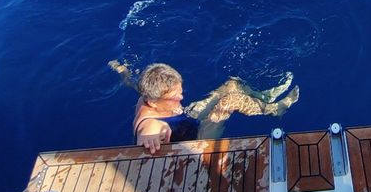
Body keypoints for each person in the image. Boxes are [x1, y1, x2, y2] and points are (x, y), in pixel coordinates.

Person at [128, 63, 300, 155]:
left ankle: (263, 99)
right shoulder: (150, 125)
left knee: (232, 84)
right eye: (174, 98)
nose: (181, 98)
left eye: (180, 92)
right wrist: (148, 138)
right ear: (153, 103)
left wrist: (122, 71)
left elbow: (134, 84)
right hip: (198, 141)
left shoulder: (147, 96)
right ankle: (275, 110)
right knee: (230, 101)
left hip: (188, 120)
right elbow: (149, 131)